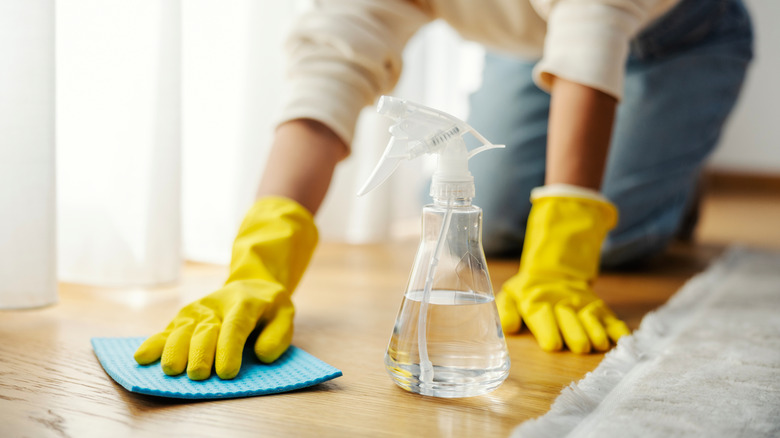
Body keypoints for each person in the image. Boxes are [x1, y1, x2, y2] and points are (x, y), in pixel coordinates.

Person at [134, 0, 753, 380]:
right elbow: (332, 65)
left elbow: (593, 25)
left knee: (620, 239)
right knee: (502, 222)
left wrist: (564, 261)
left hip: (683, 34)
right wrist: (259, 262)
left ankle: (669, 189)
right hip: (532, 38)